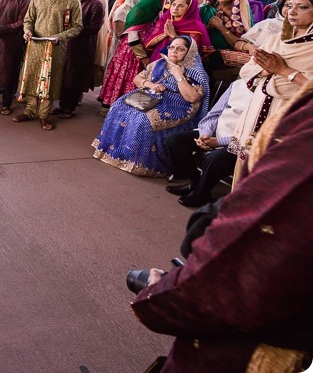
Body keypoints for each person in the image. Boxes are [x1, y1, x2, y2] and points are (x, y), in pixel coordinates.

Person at [131, 79, 313, 372]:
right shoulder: (251, 83)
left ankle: (199, 190)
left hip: (263, 342)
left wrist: (163, 291)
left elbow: (255, 257)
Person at [227, 0, 313, 185]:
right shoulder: (276, 41)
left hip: (288, 120)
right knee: (243, 180)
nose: (291, 11)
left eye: (302, 7)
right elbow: (246, 71)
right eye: (290, 5)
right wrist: (268, 70)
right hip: (257, 112)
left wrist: (284, 71)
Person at [93, 36, 209, 178]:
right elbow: (137, 79)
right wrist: (151, 85)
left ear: (190, 52)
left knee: (143, 120)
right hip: (151, 96)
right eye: (172, 47)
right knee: (118, 107)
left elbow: (192, 98)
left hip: (177, 106)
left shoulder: (196, 72)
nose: (174, 51)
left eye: (180, 49)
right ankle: (115, 153)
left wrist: (179, 76)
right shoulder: (160, 63)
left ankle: (139, 163)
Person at [14, 0, 83, 130]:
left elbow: (77, 27)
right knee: (31, 76)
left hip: (55, 48)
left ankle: (44, 115)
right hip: (35, 45)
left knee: (50, 81)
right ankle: (30, 111)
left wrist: (60, 36)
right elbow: (28, 20)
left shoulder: (72, 2)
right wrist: (27, 31)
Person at [163, 82, 243, 207]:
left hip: (240, 143)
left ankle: (200, 194)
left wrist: (218, 142)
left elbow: (253, 135)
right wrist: (205, 134)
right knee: (174, 141)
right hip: (216, 133)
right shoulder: (237, 84)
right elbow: (215, 113)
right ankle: (196, 184)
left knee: (214, 158)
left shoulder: (269, 94)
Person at [98, 0, 167, 110]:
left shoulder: (152, 11)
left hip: (138, 50)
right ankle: (115, 106)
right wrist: (143, 57)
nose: (168, 1)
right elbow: (132, 37)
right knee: (126, 76)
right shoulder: (139, 11)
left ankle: (123, 107)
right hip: (131, 52)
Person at [57, 0, 105, 118]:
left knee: (76, 76)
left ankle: (70, 108)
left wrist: (75, 29)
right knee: (65, 74)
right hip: (68, 44)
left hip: (83, 46)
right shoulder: (72, 1)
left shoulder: (96, 4)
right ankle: (62, 105)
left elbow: (95, 28)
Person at [139, 0, 213, 62]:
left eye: (181, 6)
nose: (175, 8)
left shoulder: (196, 27)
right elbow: (148, 44)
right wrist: (165, 34)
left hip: (180, 65)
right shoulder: (164, 21)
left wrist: (173, 35)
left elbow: (192, 52)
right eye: (173, 4)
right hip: (158, 60)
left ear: (190, 8)